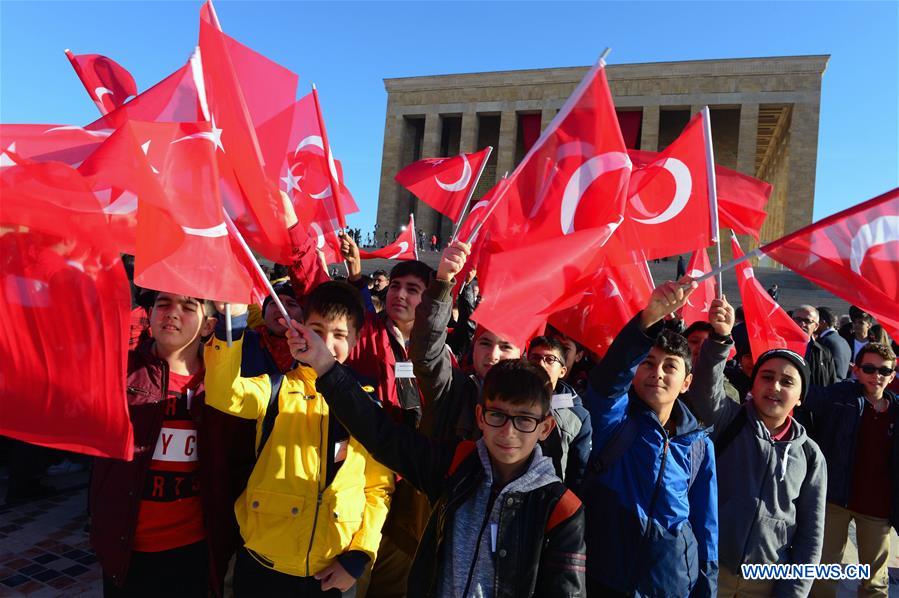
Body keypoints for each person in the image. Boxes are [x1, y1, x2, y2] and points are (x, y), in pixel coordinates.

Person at [285, 318, 587, 596]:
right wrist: (324, 364)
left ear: (545, 427)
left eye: (524, 420)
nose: (509, 432)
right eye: (498, 415)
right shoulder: (456, 466)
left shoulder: (561, 509)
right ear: (480, 416)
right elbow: (382, 434)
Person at [204, 282, 393, 597]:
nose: (326, 343)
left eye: (339, 335)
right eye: (316, 330)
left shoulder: (367, 406)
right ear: (300, 330)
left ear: (357, 341)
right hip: (264, 563)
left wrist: (359, 554)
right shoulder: (277, 389)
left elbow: (377, 488)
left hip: (331, 570)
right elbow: (225, 394)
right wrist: (232, 323)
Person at [90, 292, 239, 597]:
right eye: (164, 304)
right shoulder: (119, 370)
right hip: (125, 547)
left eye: (187, 307)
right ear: (150, 315)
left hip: (195, 551)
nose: (172, 313)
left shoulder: (224, 386)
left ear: (209, 326)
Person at [580, 279, 718, 597]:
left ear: (686, 382)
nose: (657, 372)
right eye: (648, 363)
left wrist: (706, 588)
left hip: (670, 583)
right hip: (606, 577)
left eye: (670, 366)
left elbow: (706, 525)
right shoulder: (615, 422)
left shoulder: (699, 445)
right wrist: (648, 321)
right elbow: (606, 384)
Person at [687, 297, 827, 597]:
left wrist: (795, 591)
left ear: (800, 397)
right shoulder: (730, 420)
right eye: (767, 377)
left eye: (787, 382)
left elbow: (811, 537)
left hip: (767, 581)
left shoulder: (810, 455)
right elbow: (703, 392)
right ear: (753, 384)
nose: (775, 386)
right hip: (710, 570)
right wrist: (721, 338)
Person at [805, 343, 898, 598]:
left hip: (878, 508)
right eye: (869, 368)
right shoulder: (842, 396)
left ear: (892, 374)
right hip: (836, 498)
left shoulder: (897, 411)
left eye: (884, 370)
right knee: (823, 573)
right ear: (856, 370)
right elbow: (806, 395)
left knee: (875, 582)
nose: (876, 375)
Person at [527, 336, 592, 490]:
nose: (541, 364)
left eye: (550, 359)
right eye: (535, 358)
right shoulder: (508, 397)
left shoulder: (579, 415)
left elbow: (578, 471)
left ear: (563, 371)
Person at [791, 305, 837, 387]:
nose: (802, 324)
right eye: (798, 320)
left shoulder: (824, 353)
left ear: (816, 326)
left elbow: (831, 384)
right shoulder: (780, 347)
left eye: (807, 321)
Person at [816, 306, 851, 381]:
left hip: (828, 388)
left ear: (822, 322)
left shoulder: (824, 342)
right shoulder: (843, 341)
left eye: (815, 321)